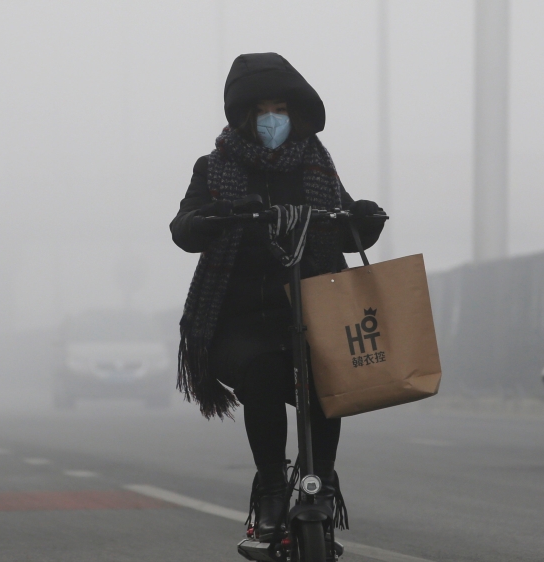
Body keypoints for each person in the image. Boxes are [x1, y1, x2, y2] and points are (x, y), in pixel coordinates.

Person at [170, 53, 385, 542]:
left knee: (325, 372)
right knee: (263, 371)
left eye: (282, 109)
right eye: (263, 109)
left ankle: (323, 483)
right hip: (240, 320)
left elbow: (346, 226)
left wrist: (365, 219)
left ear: (298, 113)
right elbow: (184, 228)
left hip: (312, 314)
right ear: (246, 117)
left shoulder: (317, 164)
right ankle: (270, 489)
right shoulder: (214, 168)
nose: (273, 119)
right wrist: (217, 217)